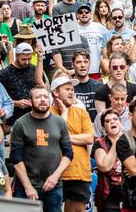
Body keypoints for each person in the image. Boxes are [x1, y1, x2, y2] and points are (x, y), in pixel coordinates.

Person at [10, 86, 73, 211]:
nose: (42, 100)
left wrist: (55, 176)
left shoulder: (59, 122)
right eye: (38, 97)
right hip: (25, 186)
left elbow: (68, 153)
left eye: (45, 97)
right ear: (30, 101)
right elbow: (15, 158)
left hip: (53, 186)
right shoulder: (20, 123)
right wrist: (28, 186)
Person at [49, 75, 94, 212]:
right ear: (55, 92)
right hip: (54, 174)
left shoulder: (81, 112)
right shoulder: (47, 114)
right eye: (67, 89)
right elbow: (52, 139)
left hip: (79, 172)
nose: (71, 92)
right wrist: (64, 115)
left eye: (72, 89)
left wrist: (65, 137)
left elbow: (89, 138)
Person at [92, 108, 125, 211]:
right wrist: (116, 142)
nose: (112, 122)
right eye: (107, 121)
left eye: (115, 119)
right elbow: (105, 167)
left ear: (120, 123)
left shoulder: (130, 140)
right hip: (108, 196)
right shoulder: (99, 143)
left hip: (130, 193)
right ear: (103, 127)